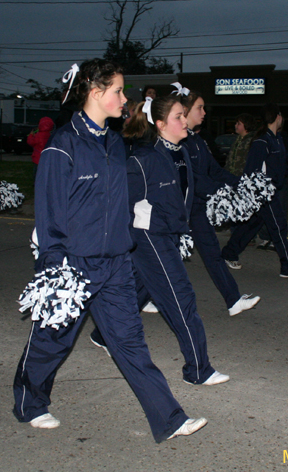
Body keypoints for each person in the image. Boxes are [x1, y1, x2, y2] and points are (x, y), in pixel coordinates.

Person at [12, 59, 205, 442]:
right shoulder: (62, 147)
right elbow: (50, 214)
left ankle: (169, 418)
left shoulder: (115, 143)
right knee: (53, 341)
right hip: (73, 263)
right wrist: (54, 271)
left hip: (116, 262)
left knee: (130, 343)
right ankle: (29, 403)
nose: (125, 97)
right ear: (96, 93)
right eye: (118, 90)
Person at [91, 94, 230, 385]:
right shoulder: (144, 158)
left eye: (184, 115)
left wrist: (235, 190)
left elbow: (192, 189)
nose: (184, 121)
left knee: (142, 287)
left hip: (169, 233)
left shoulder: (181, 152)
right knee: (181, 297)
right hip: (150, 237)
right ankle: (198, 370)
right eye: (178, 116)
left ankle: (102, 334)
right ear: (160, 123)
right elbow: (122, 201)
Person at [181, 90, 261, 315]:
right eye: (200, 108)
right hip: (177, 210)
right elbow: (194, 180)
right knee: (163, 260)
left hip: (196, 208)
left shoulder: (197, 140)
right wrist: (225, 192)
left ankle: (233, 300)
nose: (204, 112)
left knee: (212, 252)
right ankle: (106, 330)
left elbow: (214, 170)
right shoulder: (179, 141)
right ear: (185, 111)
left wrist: (242, 186)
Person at [222, 104, 288, 278]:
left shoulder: (276, 139)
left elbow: (285, 165)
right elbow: (251, 169)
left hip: (269, 190)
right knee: (278, 226)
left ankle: (228, 254)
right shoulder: (261, 141)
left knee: (251, 225)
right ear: (278, 117)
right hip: (262, 193)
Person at [224, 113, 258, 177]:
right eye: (236, 123)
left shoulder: (253, 141)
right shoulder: (237, 140)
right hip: (232, 177)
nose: (235, 126)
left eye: (239, 124)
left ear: (246, 125)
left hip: (244, 178)